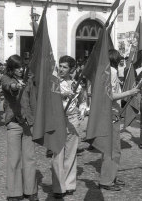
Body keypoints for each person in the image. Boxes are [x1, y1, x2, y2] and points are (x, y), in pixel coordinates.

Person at [98, 49, 140, 191]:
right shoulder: (112, 72)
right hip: (112, 113)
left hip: (108, 113)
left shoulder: (103, 71)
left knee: (111, 148)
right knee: (113, 149)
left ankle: (112, 176)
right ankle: (106, 180)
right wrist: (129, 92)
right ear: (115, 60)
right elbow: (110, 95)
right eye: (120, 60)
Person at [1, 55, 38, 201]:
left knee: (30, 158)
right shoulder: (6, 78)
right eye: (17, 67)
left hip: (28, 123)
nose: (21, 69)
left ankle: (31, 190)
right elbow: (9, 87)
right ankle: (14, 192)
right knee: (14, 159)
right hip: (14, 123)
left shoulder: (29, 80)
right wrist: (16, 86)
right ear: (11, 68)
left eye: (22, 66)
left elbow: (33, 99)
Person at [51, 55, 84, 199]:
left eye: (65, 67)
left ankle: (69, 183)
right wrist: (63, 94)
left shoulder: (77, 84)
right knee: (58, 152)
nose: (62, 69)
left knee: (71, 152)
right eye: (61, 66)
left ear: (71, 69)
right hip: (58, 119)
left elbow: (82, 101)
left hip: (72, 120)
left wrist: (83, 110)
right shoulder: (54, 82)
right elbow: (50, 97)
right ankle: (58, 186)